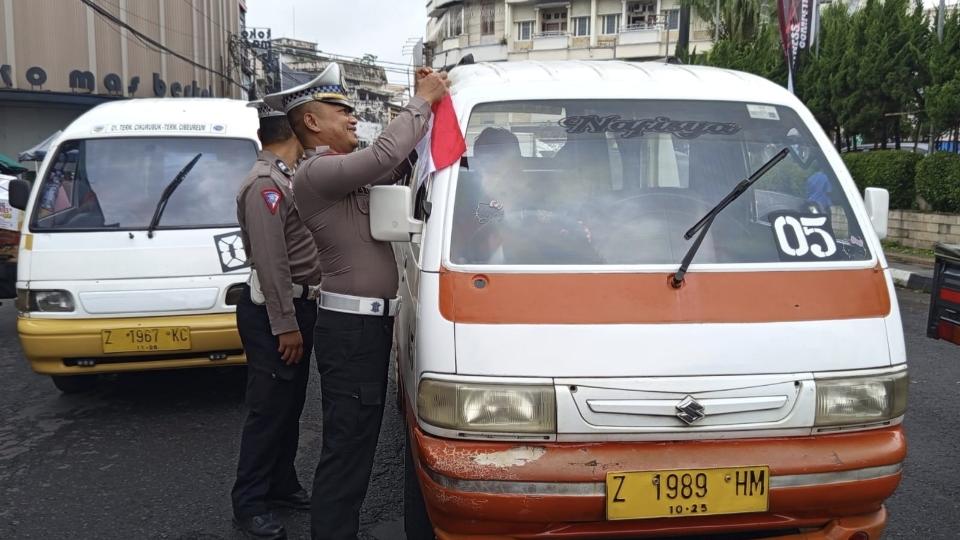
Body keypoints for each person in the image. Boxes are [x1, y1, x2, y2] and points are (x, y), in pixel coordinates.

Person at [264, 62, 449, 540]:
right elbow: (386, 153)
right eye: (340, 109)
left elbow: (397, 161)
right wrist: (421, 100)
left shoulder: (342, 174)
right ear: (310, 121)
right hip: (351, 332)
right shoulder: (318, 171)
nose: (351, 117)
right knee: (347, 449)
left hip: (363, 329)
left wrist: (428, 114)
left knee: (358, 445)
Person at [231, 99, 323, 540]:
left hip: (297, 307)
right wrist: (284, 323)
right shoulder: (266, 183)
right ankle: (249, 502)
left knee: (289, 406)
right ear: (293, 133)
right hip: (275, 311)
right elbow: (271, 261)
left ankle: (281, 484)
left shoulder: (285, 177)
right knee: (268, 410)